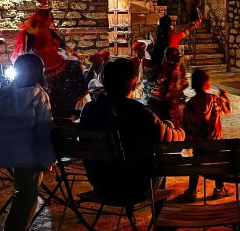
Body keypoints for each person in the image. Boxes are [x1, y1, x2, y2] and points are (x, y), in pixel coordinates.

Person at [79, 58, 184, 205]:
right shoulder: (139, 112)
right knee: (161, 152)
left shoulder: (89, 110)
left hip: (101, 185)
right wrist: (180, 130)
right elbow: (170, 138)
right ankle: (158, 214)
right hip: (136, 188)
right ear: (132, 83)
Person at [0, 54, 56, 231]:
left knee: (21, 191)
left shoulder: (4, 94)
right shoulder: (38, 95)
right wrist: (48, 159)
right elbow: (44, 131)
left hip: (8, 152)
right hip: (30, 154)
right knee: (28, 195)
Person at [11, 0, 87, 118]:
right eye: (47, 18)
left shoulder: (49, 32)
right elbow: (27, 50)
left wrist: (76, 55)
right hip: (40, 64)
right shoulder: (30, 33)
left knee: (75, 67)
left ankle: (67, 106)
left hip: (56, 62)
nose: (49, 21)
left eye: (50, 19)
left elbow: (62, 44)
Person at [180, 68, 233, 200]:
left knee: (196, 162)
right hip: (216, 144)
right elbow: (228, 110)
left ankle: (192, 190)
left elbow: (187, 126)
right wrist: (225, 96)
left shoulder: (190, 105)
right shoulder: (215, 100)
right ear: (207, 84)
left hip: (199, 146)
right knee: (218, 161)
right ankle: (219, 188)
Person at [149, 47, 189, 127]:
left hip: (172, 103)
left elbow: (184, 84)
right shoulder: (163, 69)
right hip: (164, 103)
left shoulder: (178, 68)